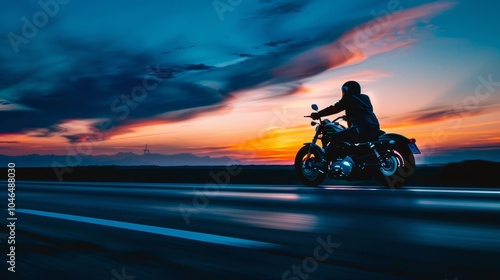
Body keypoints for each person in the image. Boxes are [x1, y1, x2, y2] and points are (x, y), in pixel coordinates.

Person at [311, 81, 380, 160]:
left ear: (346, 90)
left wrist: (318, 114)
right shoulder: (365, 97)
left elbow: (334, 108)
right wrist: (349, 116)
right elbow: (363, 111)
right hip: (374, 126)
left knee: (335, 137)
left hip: (360, 127)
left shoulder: (348, 97)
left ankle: (325, 162)